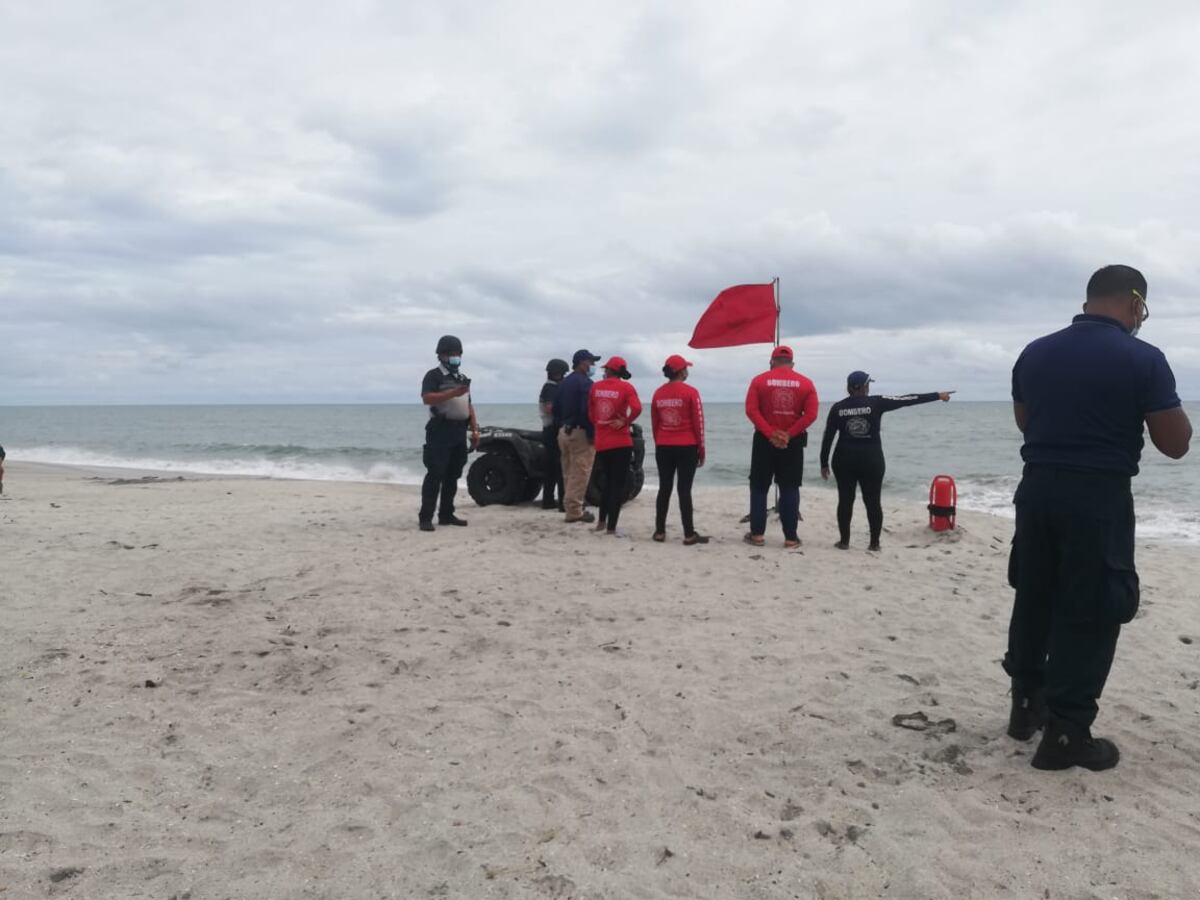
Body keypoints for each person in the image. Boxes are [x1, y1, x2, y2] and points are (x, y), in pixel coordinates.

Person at [1004, 264, 1191, 772]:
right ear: (1135, 304)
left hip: (1036, 488)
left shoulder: (1035, 351)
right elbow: (1174, 445)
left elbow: (1026, 421)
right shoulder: (1143, 358)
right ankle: (1066, 734)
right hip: (1098, 494)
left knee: (1036, 592)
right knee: (1094, 606)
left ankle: (1026, 707)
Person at [819, 373, 953, 551]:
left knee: (845, 501)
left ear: (849, 388)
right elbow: (907, 399)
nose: (869, 387)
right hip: (871, 460)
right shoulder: (876, 402)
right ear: (864, 386)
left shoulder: (838, 407)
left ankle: (844, 542)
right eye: (868, 384)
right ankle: (874, 544)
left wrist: (823, 463)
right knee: (873, 502)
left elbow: (828, 437)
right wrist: (937, 395)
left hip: (844, 460)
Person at [744, 346, 819, 548]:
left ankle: (757, 535)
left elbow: (751, 410)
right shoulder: (806, 383)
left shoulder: (759, 381)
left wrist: (770, 433)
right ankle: (790, 538)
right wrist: (789, 434)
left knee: (759, 487)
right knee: (789, 488)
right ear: (792, 364)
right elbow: (811, 415)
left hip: (764, 440)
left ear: (772, 362)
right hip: (792, 443)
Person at [418, 335, 480, 531]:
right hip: (440, 430)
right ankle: (426, 517)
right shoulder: (433, 375)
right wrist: (452, 393)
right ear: (441, 355)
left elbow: (468, 405)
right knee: (435, 474)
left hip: (459, 430)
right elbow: (427, 398)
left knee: (453, 474)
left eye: (458, 354)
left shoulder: (461, 378)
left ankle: (446, 513)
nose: (455, 357)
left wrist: (475, 429)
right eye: (452, 354)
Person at [650, 354, 709, 545]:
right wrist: (701, 449)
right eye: (686, 368)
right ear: (681, 371)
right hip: (687, 446)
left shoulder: (658, 393)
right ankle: (688, 533)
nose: (687, 371)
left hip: (664, 445)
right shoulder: (691, 392)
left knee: (664, 488)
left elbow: (655, 423)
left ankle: (659, 531)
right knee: (684, 489)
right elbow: (698, 422)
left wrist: (659, 442)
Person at [588, 356, 642, 536]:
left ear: (610, 370)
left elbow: (590, 412)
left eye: (605, 370)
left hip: (602, 442)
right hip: (621, 442)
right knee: (617, 485)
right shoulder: (626, 387)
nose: (603, 372)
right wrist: (625, 422)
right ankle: (611, 527)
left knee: (605, 482)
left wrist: (599, 423)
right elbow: (637, 408)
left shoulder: (595, 387)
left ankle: (601, 522)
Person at [553, 349, 602, 523]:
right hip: (580, 431)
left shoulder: (564, 383)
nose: (593, 366)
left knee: (568, 471)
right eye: (592, 362)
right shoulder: (586, 384)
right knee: (580, 472)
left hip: (564, 431)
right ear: (583, 363)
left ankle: (571, 506)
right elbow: (586, 410)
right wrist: (591, 433)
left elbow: (556, 409)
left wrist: (563, 425)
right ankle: (574, 510)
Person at [539, 358, 569, 511]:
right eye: (562, 373)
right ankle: (560, 502)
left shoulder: (554, 387)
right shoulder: (550, 388)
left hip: (552, 429)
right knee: (558, 467)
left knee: (552, 468)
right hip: (552, 430)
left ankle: (549, 500)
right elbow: (550, 408)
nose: (563, 376)